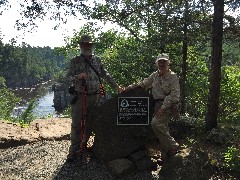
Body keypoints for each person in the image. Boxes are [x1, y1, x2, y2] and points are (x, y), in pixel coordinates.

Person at [65, 34, 123, 162]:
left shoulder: (97, 60)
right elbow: (67, 77)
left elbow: (105, 74)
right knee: (76, 124)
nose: (88, 46)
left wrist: (116, 86)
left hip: (96, 97)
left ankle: (83, 145)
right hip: (80, 97)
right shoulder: (75, 61)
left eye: (90, 44)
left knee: (90, 123)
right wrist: (78, 77)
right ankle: (74, 150)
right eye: (85, 44)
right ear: (80, 46)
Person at [124, 53, 180, 164]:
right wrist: (129, 88)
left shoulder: (173, 76)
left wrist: (163, 108)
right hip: (156, 105)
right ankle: (166, 157)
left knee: (156, 124)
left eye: (164, 61)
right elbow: (144, 83)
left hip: (168, 105)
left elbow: (175, 95)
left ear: (168, 63)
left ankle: (173, 145)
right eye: (160, 62)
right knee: (163, 127)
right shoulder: (155, 75)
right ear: (157, 63)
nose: (162, 64)